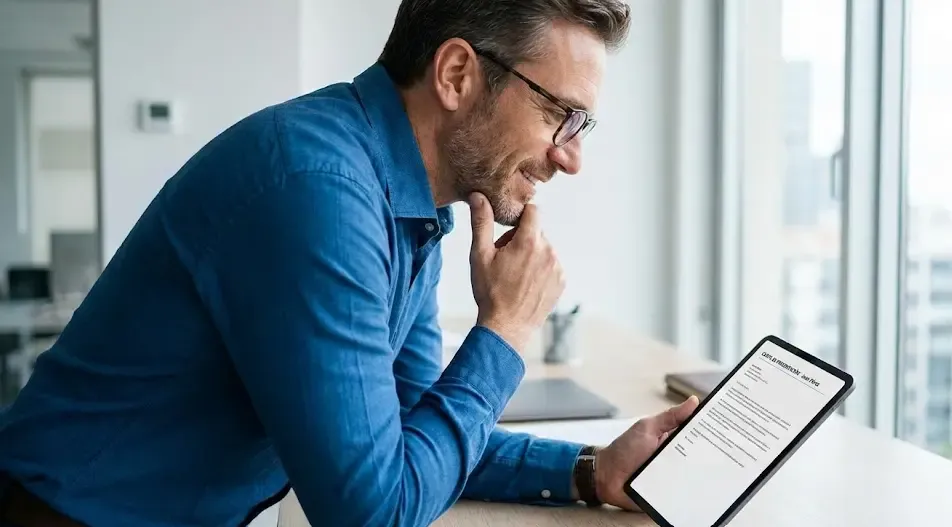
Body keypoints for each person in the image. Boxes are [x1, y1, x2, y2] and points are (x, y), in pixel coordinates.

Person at [0, 0, 699, 525]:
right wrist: (506, 332)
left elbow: (413, 433)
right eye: (560, 114)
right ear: (457, 73)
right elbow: (374, 511)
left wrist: (591, 470)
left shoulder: (409, 201)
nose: (571, 156)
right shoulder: (317, 192)